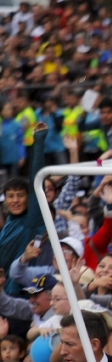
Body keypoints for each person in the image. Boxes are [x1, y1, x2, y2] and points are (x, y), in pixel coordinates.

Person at [0, 123, 46, 296]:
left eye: (20, 195)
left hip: (21, 296)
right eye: (10, 196)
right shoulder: (10, 222)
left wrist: (39, 140)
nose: (15, 200)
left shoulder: (32, 220)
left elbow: (36, 179)